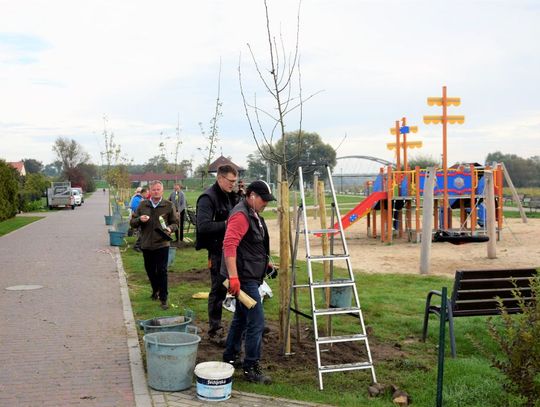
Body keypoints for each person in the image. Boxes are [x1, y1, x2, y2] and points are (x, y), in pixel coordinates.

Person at [221, 180, 275, 384]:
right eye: (263, 199)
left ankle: (230, 357)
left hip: (249, 274)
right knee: (257, 322)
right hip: (243, 278)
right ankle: (251, 366)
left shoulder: (253, 213)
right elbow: (230, 245)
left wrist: (265, 265)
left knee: (241, 318)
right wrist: (234, 277)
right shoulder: (241, 215)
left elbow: (251, 247)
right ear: (251, 195)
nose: (266, 204)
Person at [196, 164, 242, 345]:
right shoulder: (207, 198)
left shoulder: (231, 195)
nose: (233, 184)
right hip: (216, 252)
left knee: (241, 286)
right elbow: (203, 226)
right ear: (220, 178)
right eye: (230, 181)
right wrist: (229, 224)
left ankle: (248, 323)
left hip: (233, 249)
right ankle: (215, 329)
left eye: (234, 181)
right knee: (218, 289)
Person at [130, 180, 178, 310]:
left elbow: (175, 223)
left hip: (162, 243)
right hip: (146, 243)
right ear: (149, 191)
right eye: (153, 190)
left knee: (162, 270)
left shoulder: (168, 205)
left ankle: (164, 298)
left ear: (162, 191)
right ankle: (155, 290)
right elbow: (132, 222)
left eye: (158, 189)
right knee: (150, 270)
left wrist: (170, 228)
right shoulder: (142, 205)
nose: (156, 192)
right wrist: (139, 219)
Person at [132, 187, 147, 252]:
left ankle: (140, 246)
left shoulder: (139, 198)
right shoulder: (138, 199)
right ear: (143, 193)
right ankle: (137, 246)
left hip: (140, 217)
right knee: (142, 232)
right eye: (146, 193)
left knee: (142, 232)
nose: (147, 195)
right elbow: (136, 208)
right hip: (139, 218)